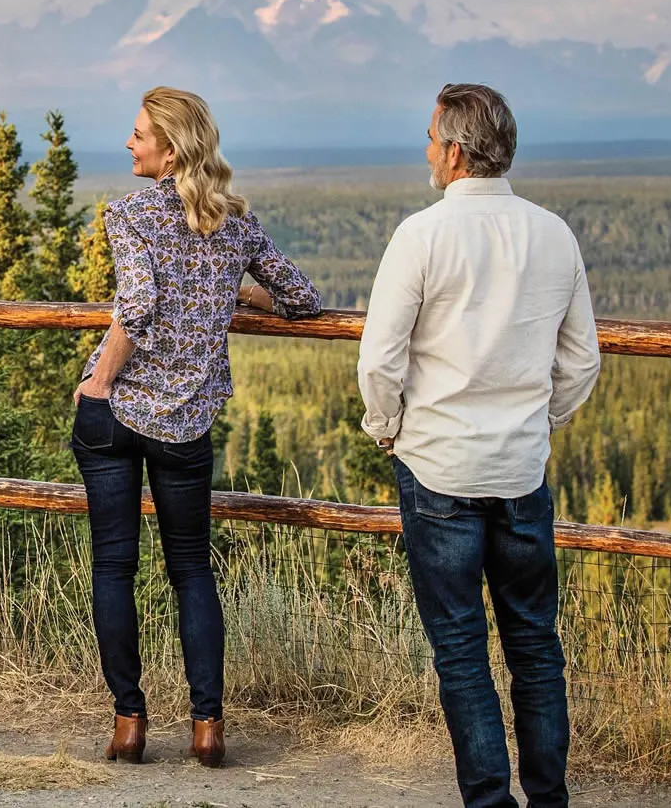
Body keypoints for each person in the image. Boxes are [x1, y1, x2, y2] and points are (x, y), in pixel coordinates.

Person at [358, 84, 600, 808]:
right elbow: (581, 361)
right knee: (535, 644)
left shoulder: (422, 235)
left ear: (458, 152)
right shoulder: (553, 233)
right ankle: (548, 798)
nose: (427, 150)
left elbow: (379, 362)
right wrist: (536, 422)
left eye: (432, 137)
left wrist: (387, 428)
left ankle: (489, 801)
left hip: (438, 471)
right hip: (521, 472)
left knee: (461, 653)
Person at [73, 87, 322, 767]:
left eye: (138, 135)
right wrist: (239, 288)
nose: (129, 144)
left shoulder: (127, 215)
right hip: (186, 423)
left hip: (117, 414)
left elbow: (140, 304)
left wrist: (98, 382)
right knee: (191, 571)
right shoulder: (235, 224)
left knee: (114, 566)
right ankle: (207, 726)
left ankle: (129, 721)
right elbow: (302, 299)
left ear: (170, 149)